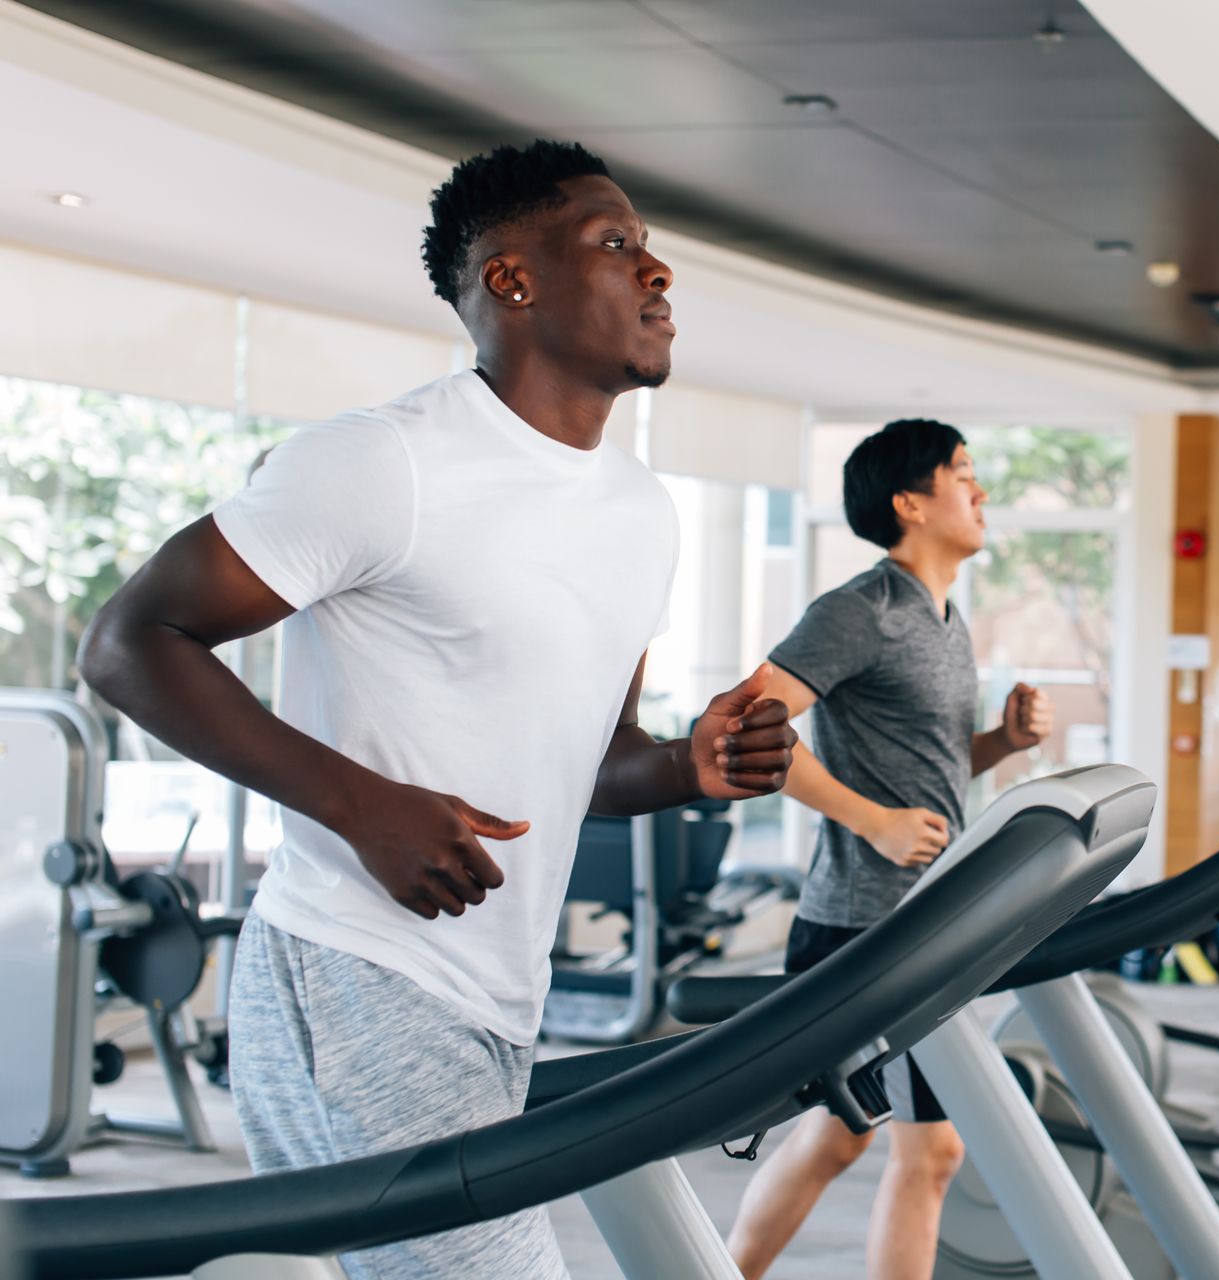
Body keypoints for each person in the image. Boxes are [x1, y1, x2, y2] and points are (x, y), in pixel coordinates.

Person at [76, 140, 796, 1280]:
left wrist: (684, 766)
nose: (657, 273)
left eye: (652, 251)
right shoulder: (384, 463)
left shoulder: (640, 511)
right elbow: (129, 644)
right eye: (618, 245)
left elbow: (592, 761)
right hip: (357, 965)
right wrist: (364, 807)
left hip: (505, 990)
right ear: (511, 280)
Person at [725, 419, 1054, 1280]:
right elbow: (745, 728)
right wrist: (871, 819)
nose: (980, 493)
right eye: (963, 475)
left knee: (842, 1138)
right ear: (910, 502)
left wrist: (1001, 745)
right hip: (863, 927)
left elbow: (932, 765)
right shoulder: (858, 610)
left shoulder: (945, 618)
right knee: (926, 1152)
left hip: (925, 920)